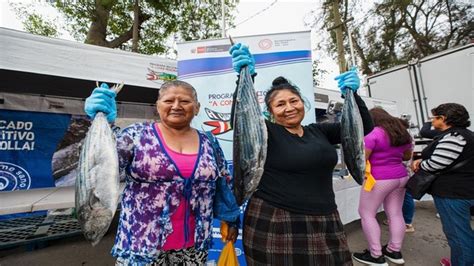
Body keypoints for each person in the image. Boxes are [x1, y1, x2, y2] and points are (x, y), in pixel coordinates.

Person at [229, 43, 374, 265]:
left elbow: (363, 126)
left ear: (302, 103)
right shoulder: (267, 132)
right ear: (270, 112)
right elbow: (241, 122)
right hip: (275, 220)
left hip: (326, 218)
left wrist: (353, 94)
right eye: (280, 104)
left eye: (293, 101)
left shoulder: (320, 131)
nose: (289, 107)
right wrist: (245, 76)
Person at [83, 80, 240, 265]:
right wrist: (102, 124)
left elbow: (222, 181)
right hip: (141, 244)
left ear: (197, 108)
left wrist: (230, 218)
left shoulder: (209, 141)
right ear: (158, 106)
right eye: (169, 101)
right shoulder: (135, 135)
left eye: (185, 101)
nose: (176, 106)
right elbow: (101, 168)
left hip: (193, 245)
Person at [411, 103, 474, 266]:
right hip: (463, 190)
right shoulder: (466, 135)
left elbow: (437, 163)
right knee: (461, 232)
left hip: (453, 194)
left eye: (434, 118)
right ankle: (459, 260)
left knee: (459, 235)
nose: (432, 121)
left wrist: (420, 163)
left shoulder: (454, 137)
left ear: (443, 118)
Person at [352, 108, 413, 266]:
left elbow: (361, 159)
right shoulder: (402, 133)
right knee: (396, 213)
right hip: (401, 177)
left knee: (367, 213)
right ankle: (394, 250)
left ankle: (376, 255)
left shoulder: (373, 134)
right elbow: (406, 156)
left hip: (378, 178)